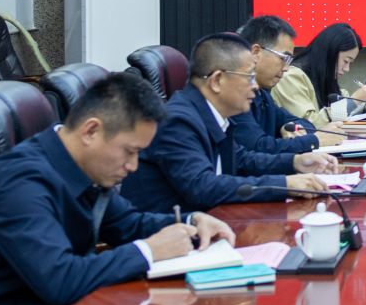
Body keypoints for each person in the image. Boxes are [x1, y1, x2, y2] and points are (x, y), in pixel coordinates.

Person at [0, 72, 236, 305]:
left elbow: (129, 224)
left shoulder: (82, 166)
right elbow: (60, 279)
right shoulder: (21, 183)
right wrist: (149, 250)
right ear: (91, 131)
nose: (133, 166)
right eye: (129, 152)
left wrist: (193, 221)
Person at [122, 33, 334, 212]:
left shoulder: (210, 114)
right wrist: (284, 184)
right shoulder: (178, 121)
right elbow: (203, 186)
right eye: (249, 77)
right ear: (216, 80)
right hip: (167, 236)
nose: (255, 86)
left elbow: (241, 160)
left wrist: (295, 161)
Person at [233, 15, 328, 168]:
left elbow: (304, 123)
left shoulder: (263, 94)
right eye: (284, 58)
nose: (286, 68)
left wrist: (289, 126)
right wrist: (315, 141)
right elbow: (257, 147)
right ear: (256, 52)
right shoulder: (233, 95)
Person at [276, 22, 366, 131]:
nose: (347, 69)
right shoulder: (291, 77)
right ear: (330, 53)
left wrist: (365, 106)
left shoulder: (323, 77)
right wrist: (354, 101)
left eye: (350, 63)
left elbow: (341, 99)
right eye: (346, 61)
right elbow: (307, 125)